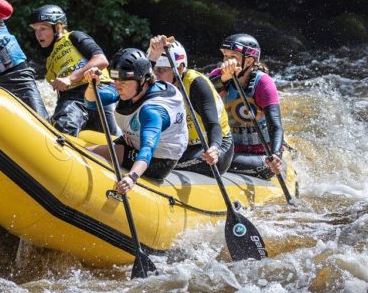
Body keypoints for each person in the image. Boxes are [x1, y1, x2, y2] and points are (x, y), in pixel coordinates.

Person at [84, 48, 188, 194]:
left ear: (143, 80)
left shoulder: (152, 111)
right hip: (132, 141)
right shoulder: (131, 87)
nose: (118, 85)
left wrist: (132, 177)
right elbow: (91, 102)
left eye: (123, 81)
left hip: (158, 160)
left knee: (90, 156)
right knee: (85, 153)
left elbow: (147, 149)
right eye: (116, 79)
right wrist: (91, 84)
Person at [146, 35, 234, 176]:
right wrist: (152, 55)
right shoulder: (155, 84)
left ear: (179, 69)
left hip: (214, 147)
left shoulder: (196, 84)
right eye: (154, 70)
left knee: (155, 163)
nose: (155, 76)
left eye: (161, 70)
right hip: (182, 146)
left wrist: (214, 148)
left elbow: (213, 125)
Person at [28, 5, 117, 136]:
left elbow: (101, 60)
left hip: (99, 88)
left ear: (57, 27)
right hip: (72, 97)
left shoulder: (73, 37)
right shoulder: (49, 61)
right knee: (62, 128)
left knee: (115, 135)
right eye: (35, 30)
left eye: (43, 28)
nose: (38, 34)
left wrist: (70, 78)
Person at [209, 33, 285, 180]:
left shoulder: (263, 83)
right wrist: (224, 79)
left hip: (260, 156)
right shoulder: (217, 76)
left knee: (264, 166)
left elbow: (275, 125)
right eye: (225, 56)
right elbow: (203, 99)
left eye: (233, 57)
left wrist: (276, 154)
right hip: (229, 151)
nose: (227, 62)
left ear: (249, 61)